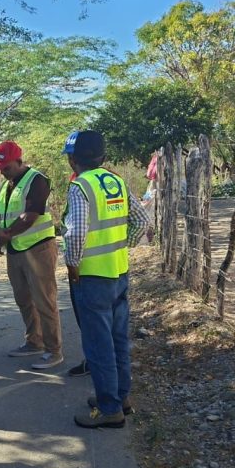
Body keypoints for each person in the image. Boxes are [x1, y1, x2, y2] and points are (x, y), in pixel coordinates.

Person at [62, 130, 150, 429]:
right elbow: (142, 220)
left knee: (98, 345)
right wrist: (122, 245)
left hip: (92, 276)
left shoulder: (80, 186)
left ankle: (109, 408)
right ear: (103, 157)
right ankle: (120, 397)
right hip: (119, 271)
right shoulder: (116, 181)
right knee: (117, 339)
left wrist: (72, 265)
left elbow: (75, 233)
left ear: (73, 159)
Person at [0, 141, 63, 370]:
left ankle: (54, 350)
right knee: (23, 299)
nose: (3, 172)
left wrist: (5, 235)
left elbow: (30, 216)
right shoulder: (6, 187)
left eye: (6, 167)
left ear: (19, 162)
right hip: (15, 249)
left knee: (44, 300)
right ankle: (34, 341)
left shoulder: (37, 180)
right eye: (0, 168)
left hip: (38, 248)